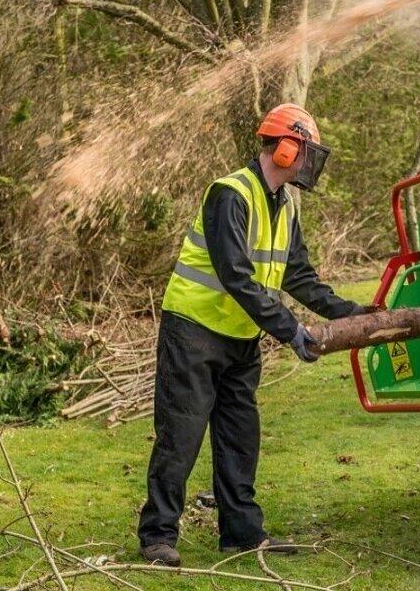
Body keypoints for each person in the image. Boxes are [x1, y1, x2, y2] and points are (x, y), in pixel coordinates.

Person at [137, 103, 367, 567]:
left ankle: (241, 533)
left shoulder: (285, 206)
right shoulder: (230, 194)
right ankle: (157, 536)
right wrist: (290, 330)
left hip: (240, 339)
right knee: (181, 435)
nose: (308, 163)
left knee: (240, 437)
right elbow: (236, 276)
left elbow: (299, 276)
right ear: (285, 148)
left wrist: (352, 315)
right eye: (305, 152)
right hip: (194, 332)